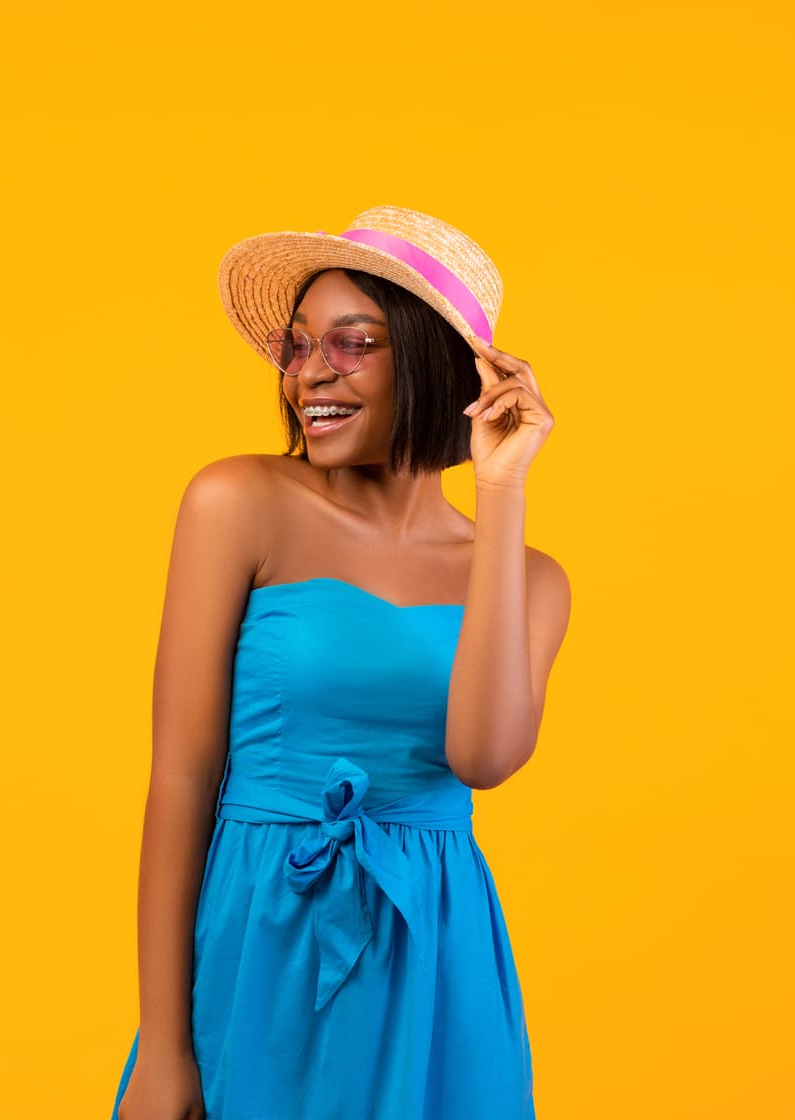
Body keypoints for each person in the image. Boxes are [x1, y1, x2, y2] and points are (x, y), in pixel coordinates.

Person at [109, 206, 570, 1119]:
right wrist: (164, 1050)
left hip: (437, 958)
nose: (310, 373)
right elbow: (181, 776)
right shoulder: (239, 501)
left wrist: (502, 490)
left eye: (353, 343)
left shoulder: (533, 581)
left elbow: (482, 760)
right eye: (299, 345)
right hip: (260, 933)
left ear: (439, 366)